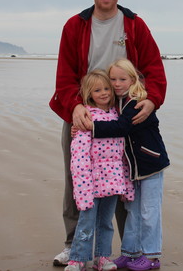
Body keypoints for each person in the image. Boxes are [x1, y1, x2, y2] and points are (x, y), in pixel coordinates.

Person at [50, 0, 167, 267]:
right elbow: (64, 76)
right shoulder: (75, 26)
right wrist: (75, 106)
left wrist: (152, 100)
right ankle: (72, 244)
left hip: (124, 114)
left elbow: (154, 66)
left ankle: (129, 249)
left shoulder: (134, 24)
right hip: (83, 111)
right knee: (77, 178)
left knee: (123, 177)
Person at [76, 59, 169, 271]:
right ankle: (130, 252)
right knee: (133, 211)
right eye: (113, 79)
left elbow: (121, 127)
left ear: (133, 79)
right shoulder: (117, 103)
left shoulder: (137, 102)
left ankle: (152, 256)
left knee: (149, 211)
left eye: (122, 79)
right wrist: (79, 127)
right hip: (132, 168)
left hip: (150, 164)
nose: (117, 84)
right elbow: (110, 120)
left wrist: (90, 127)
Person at [65, 70, 134, 271]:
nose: (103, 93)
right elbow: (78, 156)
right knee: (86, 222)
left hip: (113, 181)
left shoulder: (117, 116)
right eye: (97, 90)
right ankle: (78, 258)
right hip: (91, 182)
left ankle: (102, 257)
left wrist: (126, 184)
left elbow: (123, 155)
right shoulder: (85, 117)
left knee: (106, 223)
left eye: (106, 88)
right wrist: (82, 187)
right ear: (89, 93)